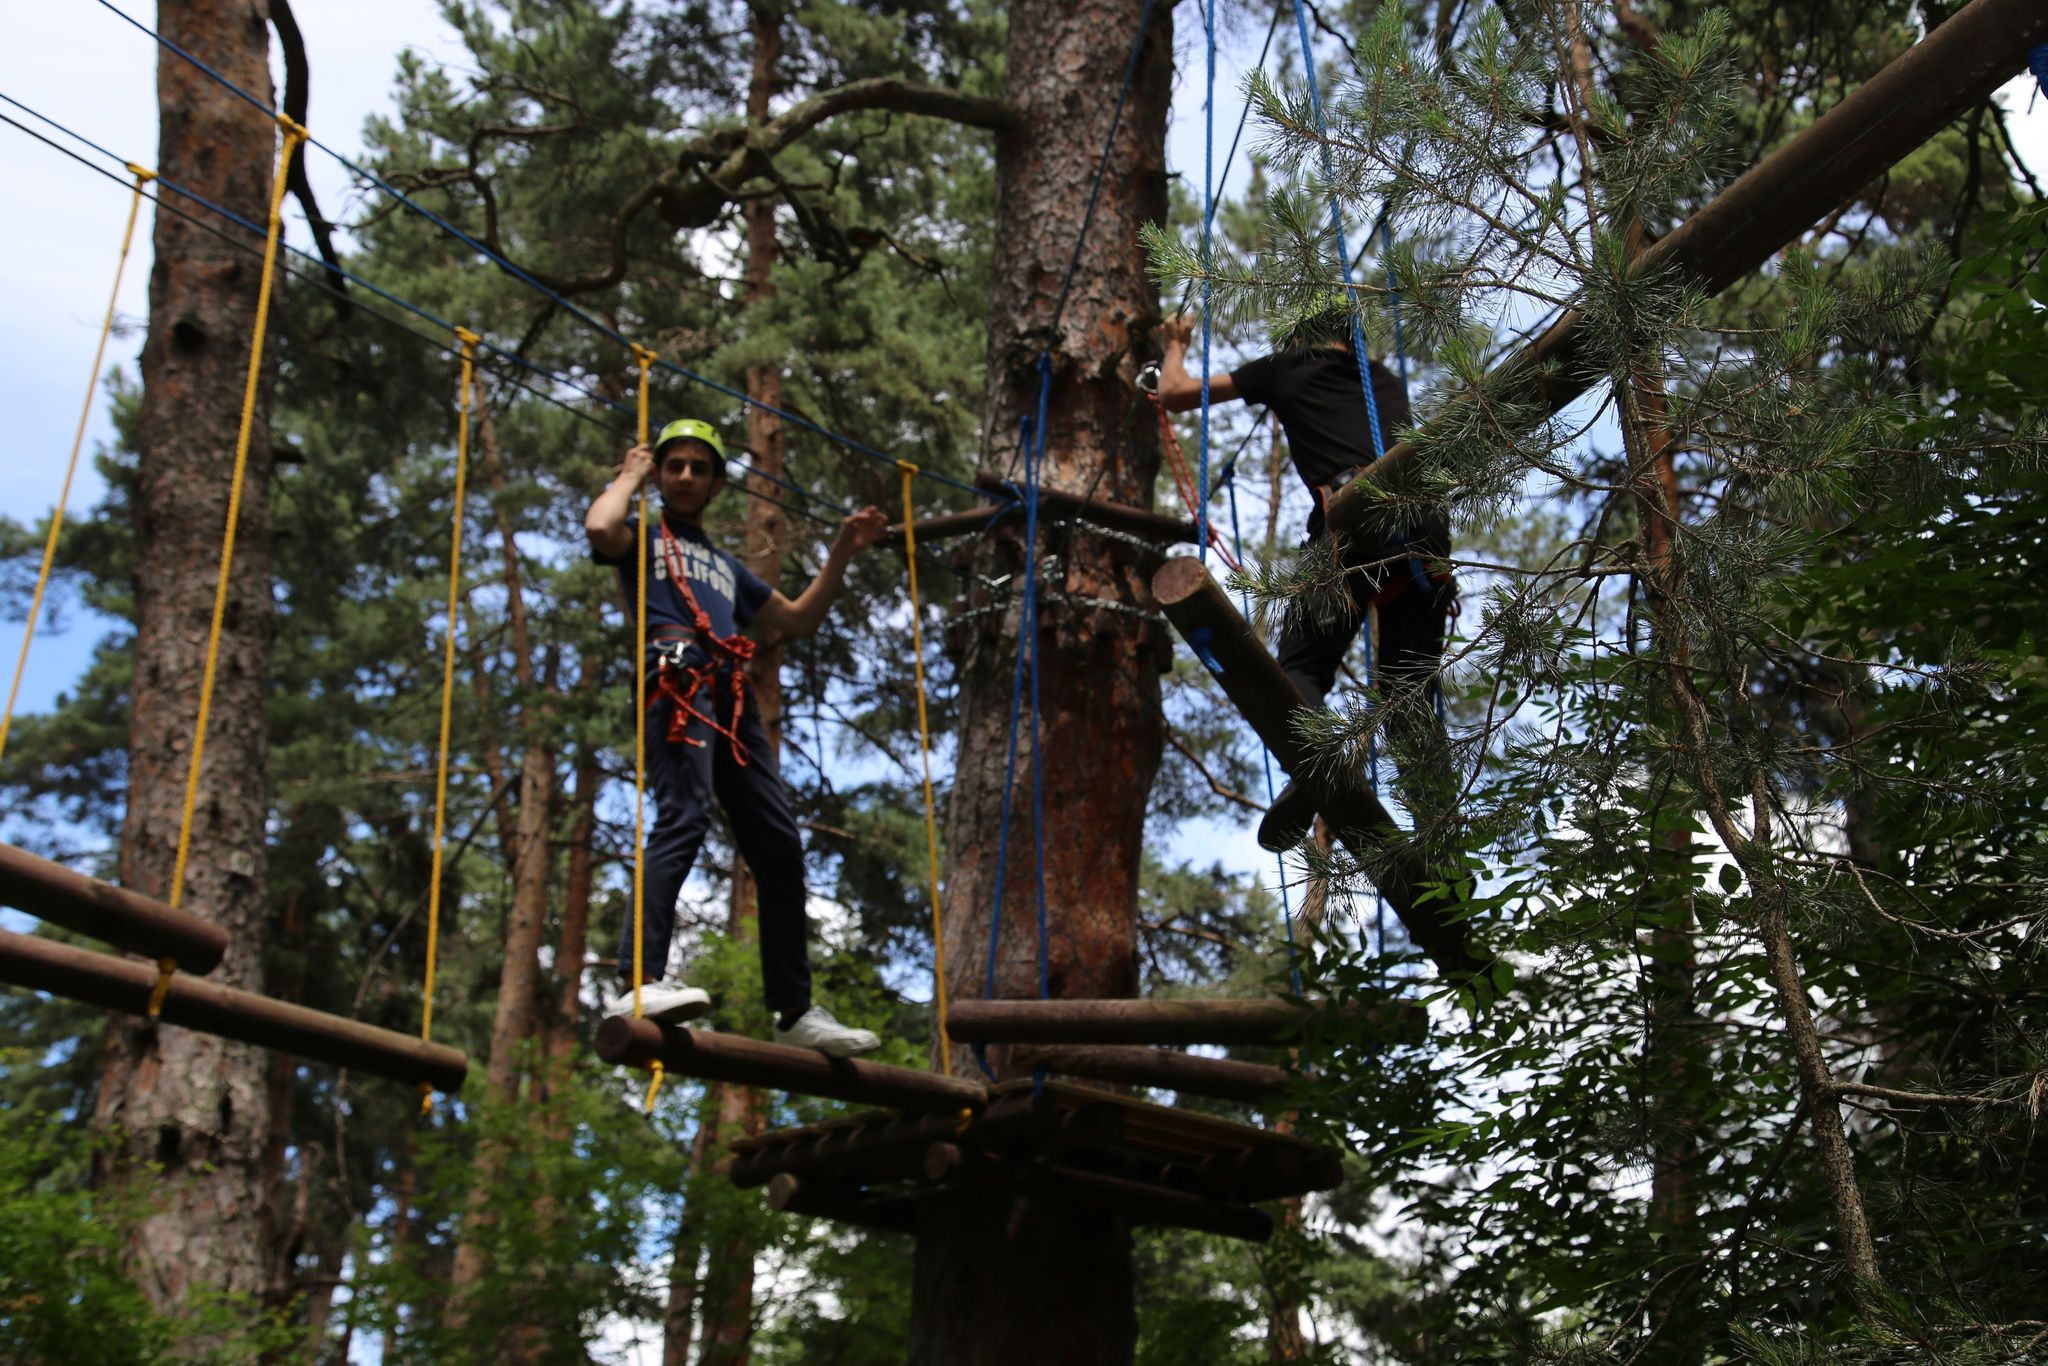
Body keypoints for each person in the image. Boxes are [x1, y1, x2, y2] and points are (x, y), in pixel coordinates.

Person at [585, 417, 890, 1057]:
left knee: (779, 844)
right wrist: (630, 475)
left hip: (730, 694)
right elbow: (600, 528)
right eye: (675, 466)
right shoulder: (643, 538)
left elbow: (797, 619)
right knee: (685, 814)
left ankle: (795, 1010)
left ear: (718, 483)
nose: (686, 476)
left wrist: (842, 550)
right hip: (678, 678)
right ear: (661, 475)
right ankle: (639, 981)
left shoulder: (727, 569)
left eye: (699, 468)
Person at [1155, 308, 1454, 851]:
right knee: (1408, 697)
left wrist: (1174, 344)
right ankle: (1442, 836)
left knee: (1301, 665)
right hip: (1425, 536)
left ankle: (1316, 765)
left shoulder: (1288, 366)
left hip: (1354, 522)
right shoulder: (1381, 379)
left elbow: (1174, 393)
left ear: (1301, 341)